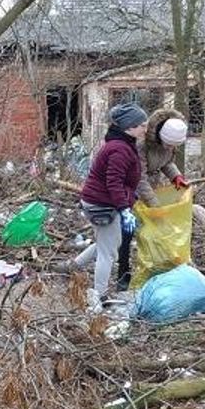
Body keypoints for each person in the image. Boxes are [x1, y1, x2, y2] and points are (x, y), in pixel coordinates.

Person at [54, 103, 148, 297]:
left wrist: (130, 198)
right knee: (108, 253)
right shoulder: (119, 149)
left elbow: (123, 182)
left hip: (102, 201)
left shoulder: (123, 144)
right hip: (102, 205)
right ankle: (100, 296)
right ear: (130, 127)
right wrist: (124, 209)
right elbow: (113, 181)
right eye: (142, 125)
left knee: (108, 242)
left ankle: (72, 265)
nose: (145, 129)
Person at [136, 108, 190, 207]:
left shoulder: (169, 145)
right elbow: (139, 177)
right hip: (134, 190)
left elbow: (166, 162)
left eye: (175, 145)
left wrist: (176, 176)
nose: (172, 148)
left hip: (152, 186)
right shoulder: (141, 145)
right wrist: (153, 202)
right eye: (169, 145)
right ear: (161, 137)